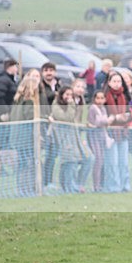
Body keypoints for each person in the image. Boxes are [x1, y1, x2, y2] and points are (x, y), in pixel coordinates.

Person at [50, 86, 93, 193]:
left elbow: (77, 121)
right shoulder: (56, 105)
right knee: (70, 162)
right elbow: (67, 118)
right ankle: (69, 188)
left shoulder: (75, 105)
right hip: (64, 139)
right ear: (61, 95)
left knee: (89, 158)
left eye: (71, 95)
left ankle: (78, 184)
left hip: (75, 138)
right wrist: (71, 104)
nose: (69, 97)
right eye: (67, 95)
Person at [9, 70, 42, 197]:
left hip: (16, 137)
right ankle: (26, 189)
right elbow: (30, 117)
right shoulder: (29, 101)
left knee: (22, 163)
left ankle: (22, 189)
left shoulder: (17, 99)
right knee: (27, 164)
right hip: (26, 138)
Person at [103, 70, 131, 192]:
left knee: (123, 162)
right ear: (109, 83)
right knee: (112, 162)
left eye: (119, 81)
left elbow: (131, 112)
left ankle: (125, 186)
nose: (117, 84)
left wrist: (126, 116)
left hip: (123, 133)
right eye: (114, 81)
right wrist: (115, 118)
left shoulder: (124, 96)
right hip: (111, 133)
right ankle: (113, 186)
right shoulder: (104, 97)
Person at [0, 58, 19, 157]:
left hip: (7, 112)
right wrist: (6, 111)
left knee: (6, 138)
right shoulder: (3, 79)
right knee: (3, 138)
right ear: (10, 67)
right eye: (15, 67)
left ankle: (3, 161)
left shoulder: (9, 79)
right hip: (2, 114)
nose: (17, 69)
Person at [87, 91, 113, 192]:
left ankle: (101, 184)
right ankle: (96, 186)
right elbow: (96, 122)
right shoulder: (93, 108)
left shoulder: (103, 109)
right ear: (94, 99)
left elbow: (104, 123)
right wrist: (108, 120)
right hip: (94, 136)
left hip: (102, 136)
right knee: (97, 160)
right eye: (98, 98)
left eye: (102, 98)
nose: (100, 100)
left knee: (102, 160)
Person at [40, 62, 60, 191]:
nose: (49, 73)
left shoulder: (58, 85)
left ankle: (49, 180)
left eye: (51, 70)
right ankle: (43, 181)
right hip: (44, 124)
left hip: (56, 125)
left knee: (53, 154)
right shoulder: (40, 86)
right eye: (46, 70)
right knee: (44, 154)